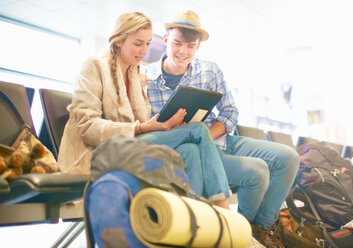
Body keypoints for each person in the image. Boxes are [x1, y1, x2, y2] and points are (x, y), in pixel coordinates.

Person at [142, 10, 300, 247]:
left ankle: (261, 229)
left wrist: (209, 135)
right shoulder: (146, 79)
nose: (183, 51)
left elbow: (230, 112)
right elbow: (149, 132)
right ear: (165, 40)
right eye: (177, 43)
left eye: (190, 46)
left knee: (289, 157)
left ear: (198, 47)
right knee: (257, 171)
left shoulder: (209, 70)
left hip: (220, 138)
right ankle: (239, 233)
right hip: (190, 153)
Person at [58, 11, 231, 209]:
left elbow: (143, 123)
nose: (144, 51)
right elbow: (88, 128)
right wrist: (141, 128)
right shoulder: (94, 66)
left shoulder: (135, 73)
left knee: (190, 150)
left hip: (133, 144)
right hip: (104, 151)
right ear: (118, 41)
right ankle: (222, 207)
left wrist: (165, 124)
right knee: (198, 129)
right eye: (138, 44)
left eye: (148, 44)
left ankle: (192, 222)